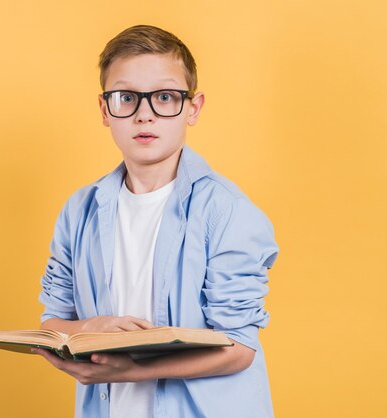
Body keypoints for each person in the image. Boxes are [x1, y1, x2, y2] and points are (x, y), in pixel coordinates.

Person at [32, 24, 279, 418]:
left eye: (164, 97)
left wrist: (133, 369)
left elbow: (238, 347)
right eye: (126, 97)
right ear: (104, 109)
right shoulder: (79, 211)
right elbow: (54, 321)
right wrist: (95, 327)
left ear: (192, 108)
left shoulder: (227, 211)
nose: (144, 115)